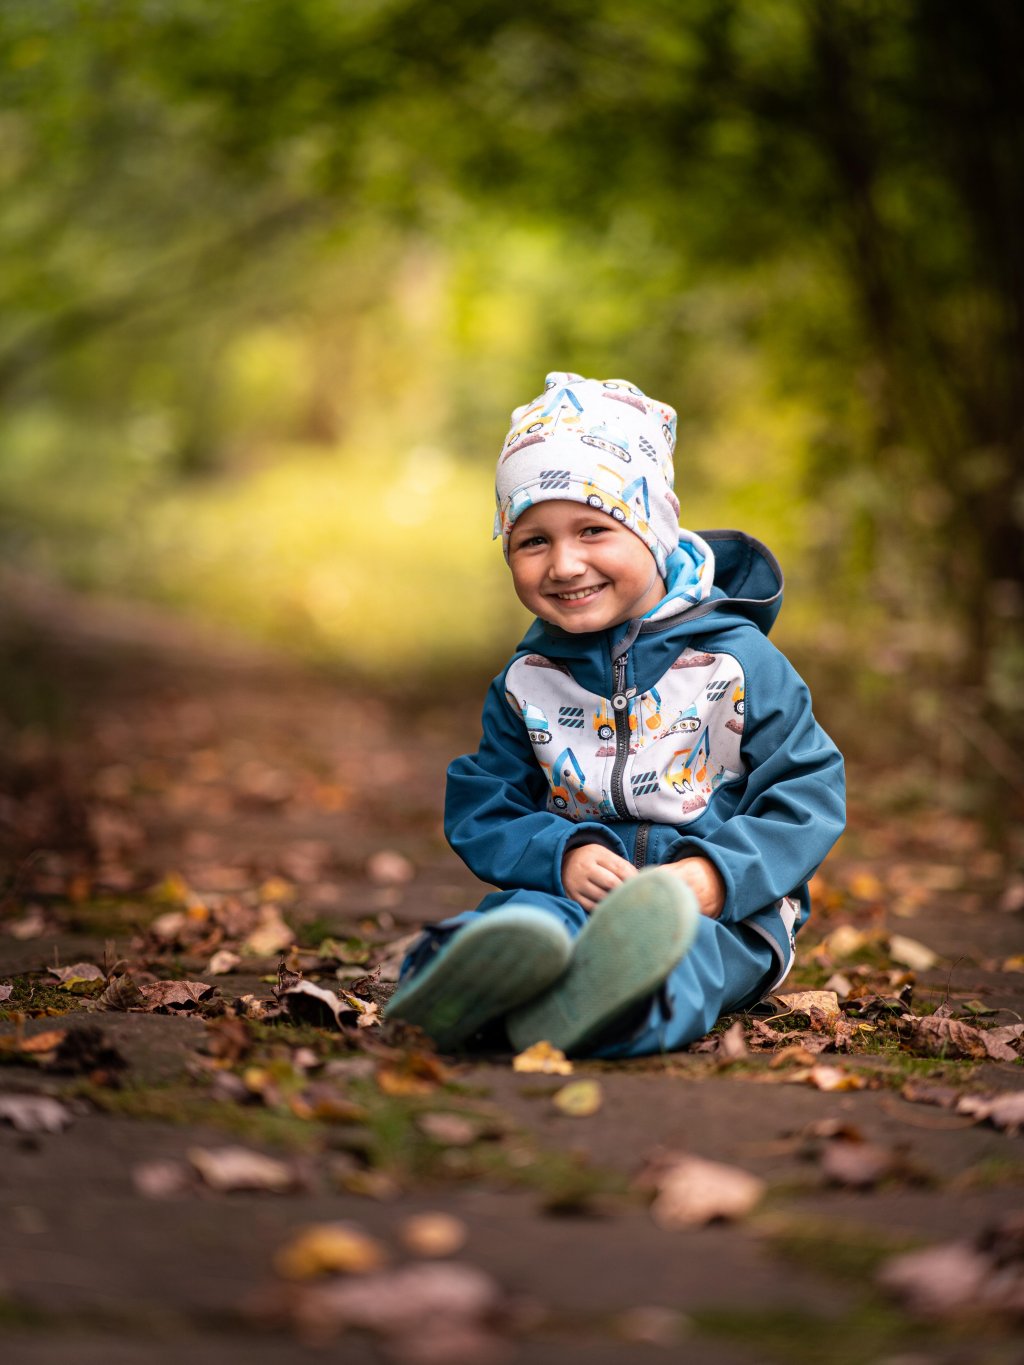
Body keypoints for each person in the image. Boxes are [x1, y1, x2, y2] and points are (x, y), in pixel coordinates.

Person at [385, 371, 846, 1057]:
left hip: (718, 910)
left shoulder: (739, 664)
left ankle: (617, 1012)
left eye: (594, 529)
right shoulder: (529, 680)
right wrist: (560, 855)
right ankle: (457, 989)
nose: (565, 563)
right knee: (525, 920)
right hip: (576, 894)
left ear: (654, 527)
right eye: (531, 540)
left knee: (684, 956)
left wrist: (720, 875)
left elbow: (807, 792)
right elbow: (485, 803)